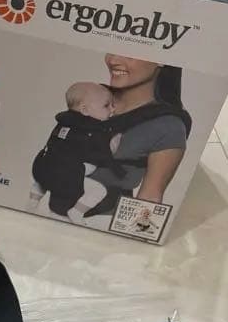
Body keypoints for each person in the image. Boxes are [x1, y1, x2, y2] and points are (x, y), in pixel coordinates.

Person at [71, 55, 192, 222]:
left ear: (162, 60)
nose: (113, 60)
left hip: (98, 222)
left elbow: (149, 198)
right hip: (48, 205)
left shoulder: (167, 125)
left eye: (131, 54)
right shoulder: (92, 96)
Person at [29, 81, 122, 217]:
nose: (112, 109)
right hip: (67, 177)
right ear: (84, 110)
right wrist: (114, 145)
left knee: (42, 181)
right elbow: (103, 156)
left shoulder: (63, 122)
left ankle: (32, 201)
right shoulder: (96, 129)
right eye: (106, 105)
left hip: (41, 168)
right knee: (99, 190)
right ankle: (76, 212)